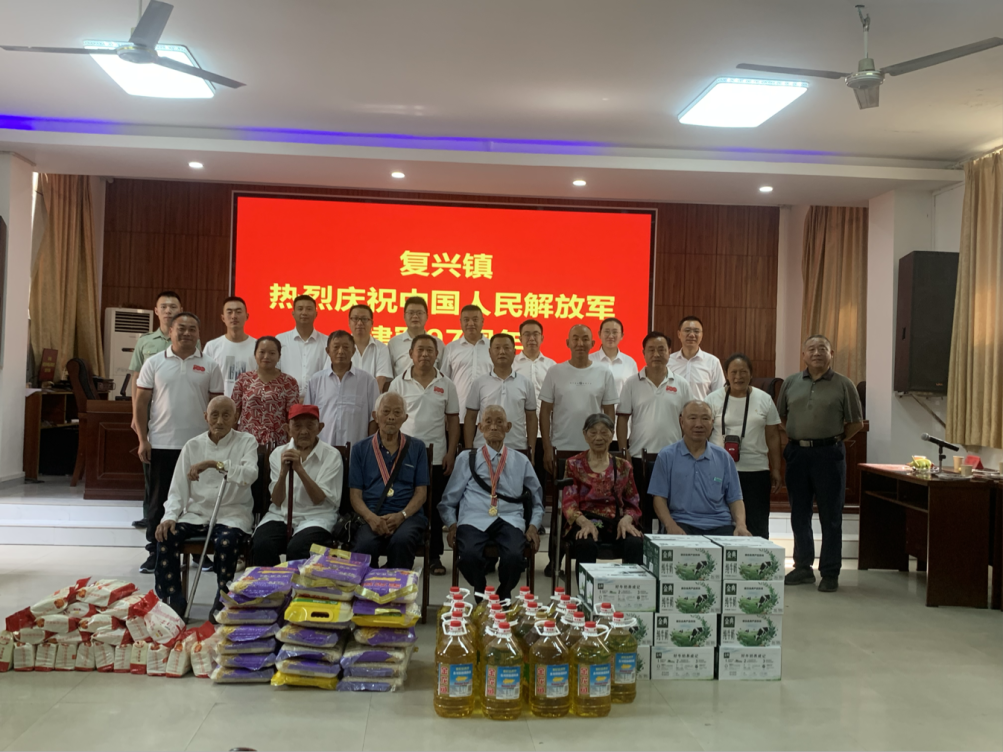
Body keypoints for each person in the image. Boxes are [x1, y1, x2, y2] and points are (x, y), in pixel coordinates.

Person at [134, 312, 223, 573]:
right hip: (162, 443)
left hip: (199, 446)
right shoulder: (154, 362)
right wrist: (142, 439)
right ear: (170, 331)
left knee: (199, 500)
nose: (186, 333)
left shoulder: (210, 365)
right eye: (181, 328)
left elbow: (216, 406)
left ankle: (198, 552)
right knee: (158, 500)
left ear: (199, 333)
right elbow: (140, 402)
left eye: (192, 329)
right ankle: (155, 551)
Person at [153, 396, 257, 618]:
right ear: (205, 417)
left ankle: (223, 598)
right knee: (166, 535)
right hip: (198, 513)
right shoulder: (193, 445)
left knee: (226, 541)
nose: (219, 421)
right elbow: (178, 488)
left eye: (226, 415)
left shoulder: (247, 441)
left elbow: (249, 474)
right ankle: (173, 597)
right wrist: (169, 516)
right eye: (214, 415)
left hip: (232, 512)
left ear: (236, 417)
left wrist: (213, 464)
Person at [777, 335, 864, 593]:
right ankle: (803, 567)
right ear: (803, 354)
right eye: (811, 349)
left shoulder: (844, 384)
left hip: (829, 455)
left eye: (822, 349)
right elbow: (781, 416)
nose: (816, 353)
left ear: (831, 353)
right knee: (799, 513)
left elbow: (856, 422)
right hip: (797, 454)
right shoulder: (791, 382)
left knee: (831, 515)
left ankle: (830, 572)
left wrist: (832, 440)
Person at [440, 405, 543, 601]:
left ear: (508, 427)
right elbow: (448, 501)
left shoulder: (521, 460)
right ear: (480, 427)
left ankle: (503, 593)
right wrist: (452, 525)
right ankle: (481, 591)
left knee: (514, 557)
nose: (494, 427)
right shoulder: (466, 458)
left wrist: (533, 526)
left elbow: (538, 500)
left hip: (510, 518)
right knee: (468, 555)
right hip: (473, 518)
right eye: (488, 422)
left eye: (499, 422)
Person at [388, 334, 460, 576]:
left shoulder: (446, 384)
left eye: (430, 350)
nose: (425, 354)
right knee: (404, 504)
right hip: (404, 457)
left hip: (436, 456)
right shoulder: (398, 383)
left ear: (437, 354)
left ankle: (434, 557)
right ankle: (401, 555)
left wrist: (451, 452)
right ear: (411, 354)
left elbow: (453, 420)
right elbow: (390, 419)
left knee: (434, 507)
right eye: (420, 350)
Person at [615, 331, 693, 530]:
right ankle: (642, 546)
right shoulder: (632, 383)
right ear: (643, 353)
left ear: (669, 352)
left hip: (673, 458)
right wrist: (624, 452)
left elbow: (689, 420)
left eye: (661, 349)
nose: (656, 354)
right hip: (639, 457)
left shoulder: (681, 384)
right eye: (651, 350)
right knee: (641, 509)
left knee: (671, 509)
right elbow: (622, 419)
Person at [252, 404, 343, 566]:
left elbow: (318, 498)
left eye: (310, 426)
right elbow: (277, 500)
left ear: (320, 428)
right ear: (288, 429)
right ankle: (273, 583)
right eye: (298, 426)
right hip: (281, 515)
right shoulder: (278, 454)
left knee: (298, 548)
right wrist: (283, 473)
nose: (304, 431)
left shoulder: (332, 456)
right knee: (261, 544)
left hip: (317, 517)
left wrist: (299, 469)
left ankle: (297, 584)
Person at [128, 290, 189, 531]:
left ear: (180, 309)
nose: (168, 310)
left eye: (173, 306)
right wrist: (136, 414)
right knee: (151, 468)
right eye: (163, 306)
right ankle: (149, 514)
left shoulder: (190, 339)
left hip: (176, 414)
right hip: (151, 411)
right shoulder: (145, 341)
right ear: (156, 311)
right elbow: (136, 379)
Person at [706, 353, 783, 540]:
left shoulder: (764, 399)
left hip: (755, 470)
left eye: (743, 372)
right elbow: (703, 435)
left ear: (751, 374)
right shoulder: (713, 399)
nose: (738, 377)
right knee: (721, 522)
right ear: (726, 374)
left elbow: (773, 436)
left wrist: (776, 469)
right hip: (719, 470)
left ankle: (758, 557)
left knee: (757, 522)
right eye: (733, 372)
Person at [349, 392, 430, 569]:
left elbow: (421, 493)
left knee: (402, 541)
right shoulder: (360, 449)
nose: (391, 417)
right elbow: (355, 495)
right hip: (371, 515)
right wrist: (371, 518)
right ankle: (369, 586)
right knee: (364, 546)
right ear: (375, 416)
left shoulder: (417, 448)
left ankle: (395, 585)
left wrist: (402, 515)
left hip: (408, 516)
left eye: (397, 412)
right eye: (386, 411)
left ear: (405, 417)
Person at [648, 400, 752, 537]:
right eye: (692, 418)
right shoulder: (667, 456)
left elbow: (735, 499)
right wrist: (670, 525)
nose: (699, 424)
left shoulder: (724, 457)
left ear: (712, 423)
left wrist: (741, 525)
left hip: (720, 525)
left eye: (705, 418)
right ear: (682, 422)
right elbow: (659, 498)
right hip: (682, 523)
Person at [562, 414, 644, 577]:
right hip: (585, 519)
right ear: (585, 435)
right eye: (593, 432)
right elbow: (568, 502)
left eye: (604, 432)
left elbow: (633, 501)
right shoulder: (574, 464)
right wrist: (583, 522)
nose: (598, 437)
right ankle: (586, 591)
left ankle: (631, 588)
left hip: (615, 521)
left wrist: (627, 519)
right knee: (585, 542)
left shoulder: (623, 466)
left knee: (635, 541)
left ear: (612, 434)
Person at [539, 324, 618, 477]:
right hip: (561, 447)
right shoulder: (555, 372)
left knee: (595, 491)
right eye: (575, 339)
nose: (580, 343)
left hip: (594, 448)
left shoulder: (604, 373)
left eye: (585, 339)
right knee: (563, 491)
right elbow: (545, 412)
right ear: (568, 343)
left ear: (592, 343)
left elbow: (609, 411)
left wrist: (606, 443)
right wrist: (547, 448)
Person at [465, 333, 537, 453]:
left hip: (517, 447)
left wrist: (532, 451)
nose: (502, 352)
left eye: (506, 348)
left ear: (514, 352)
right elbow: (470, 417)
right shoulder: (479, 383)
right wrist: (468, 451)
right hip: (483, 447)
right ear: (490, 352)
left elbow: (531, 419)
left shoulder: (526, 383)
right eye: (497, 348)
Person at [306, 330, 380, 447]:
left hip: (356, 449)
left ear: (353, 351)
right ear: (328, 351)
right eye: (336, 347)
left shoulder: (368, 381)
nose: (341, 351)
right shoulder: (316, 380)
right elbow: (308, 417)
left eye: (346, 347)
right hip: (323, 449)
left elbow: (373, 419)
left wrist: (370, 448)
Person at [232, 336, 301, 447]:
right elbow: (234, 413)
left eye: (272, 353)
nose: (266, 356)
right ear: (255, 354)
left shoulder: (289, 382)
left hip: (277, 441)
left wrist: (291, 446)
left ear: (279, 356)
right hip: (246, 440)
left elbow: (293, 418)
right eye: (262, 352)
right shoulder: (244, 379)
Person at [441, 305, 492, 441]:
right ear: (460, 322)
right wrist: (444, 413)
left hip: (487, 417)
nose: (470, 323)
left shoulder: (493, 347)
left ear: (482, 321)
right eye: (466, 320)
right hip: (457, 414)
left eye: (475, 319)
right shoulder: (451, 348)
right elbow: (444, 381)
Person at [513, 318, 556, 477]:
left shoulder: (552, 366)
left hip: (545, 434)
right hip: (517, 433)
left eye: (535, 334)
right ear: (520, 338)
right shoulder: (511, 365)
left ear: (542, 338)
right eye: (527, 334)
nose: (531, 338)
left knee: (542, 480)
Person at [203, 297, 256, 398]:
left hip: (249, 404)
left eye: (238, 312)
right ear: (223, 318)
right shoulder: (212, 346)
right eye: (229, 312)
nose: (234, 316)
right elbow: (204, 379)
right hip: (220, 405)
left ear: (247, 316)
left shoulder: (258, 347)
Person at [277, 294, 328, 399]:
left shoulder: (327, 341)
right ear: (293, 313)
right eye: (300, 309)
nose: (304, 312)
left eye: (309, 309)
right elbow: (275, 371)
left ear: (316, 314)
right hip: (286, 400)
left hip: (318, 400)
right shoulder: (280, 340)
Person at [667, 315, 725, 400]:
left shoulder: (713, 362)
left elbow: (720, 394)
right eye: (687, 330)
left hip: (703, 408)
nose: (691, 335)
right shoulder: (668, 361)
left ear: (702, 335)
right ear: (679, 334)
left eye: (696, 331)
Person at [388, 296, 444, 376]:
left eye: (419, 313)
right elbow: (389, 376)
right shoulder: (394, 343)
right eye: (411, 313)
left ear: (427, 316)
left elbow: (443, 374)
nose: (415, 316)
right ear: (404, 316)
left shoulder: (438, 343)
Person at [589, 317, 639, 396]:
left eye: (615, 332)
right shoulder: (589, 360)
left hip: (622, 404)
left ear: (622, 335)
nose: (610, 336)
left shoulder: (630, 362)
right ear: (599, 334)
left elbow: (635, 391)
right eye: (607, 332)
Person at [348, 304, 394, 391]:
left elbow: (380, 380)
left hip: (372, 398)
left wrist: (367, 398)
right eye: (355, 318)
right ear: (349, 322)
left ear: (372, 323)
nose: (359, 323)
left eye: (364, 319)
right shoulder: (341, 347)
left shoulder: (381, 348)